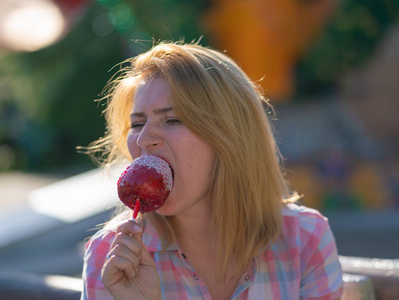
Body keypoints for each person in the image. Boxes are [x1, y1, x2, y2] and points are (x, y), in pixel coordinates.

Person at [81, 42, 343, 300]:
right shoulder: (112, 258)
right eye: (137, 123)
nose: (143, 139)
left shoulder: (305, 238)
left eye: (172, 119)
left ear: (230, 137)